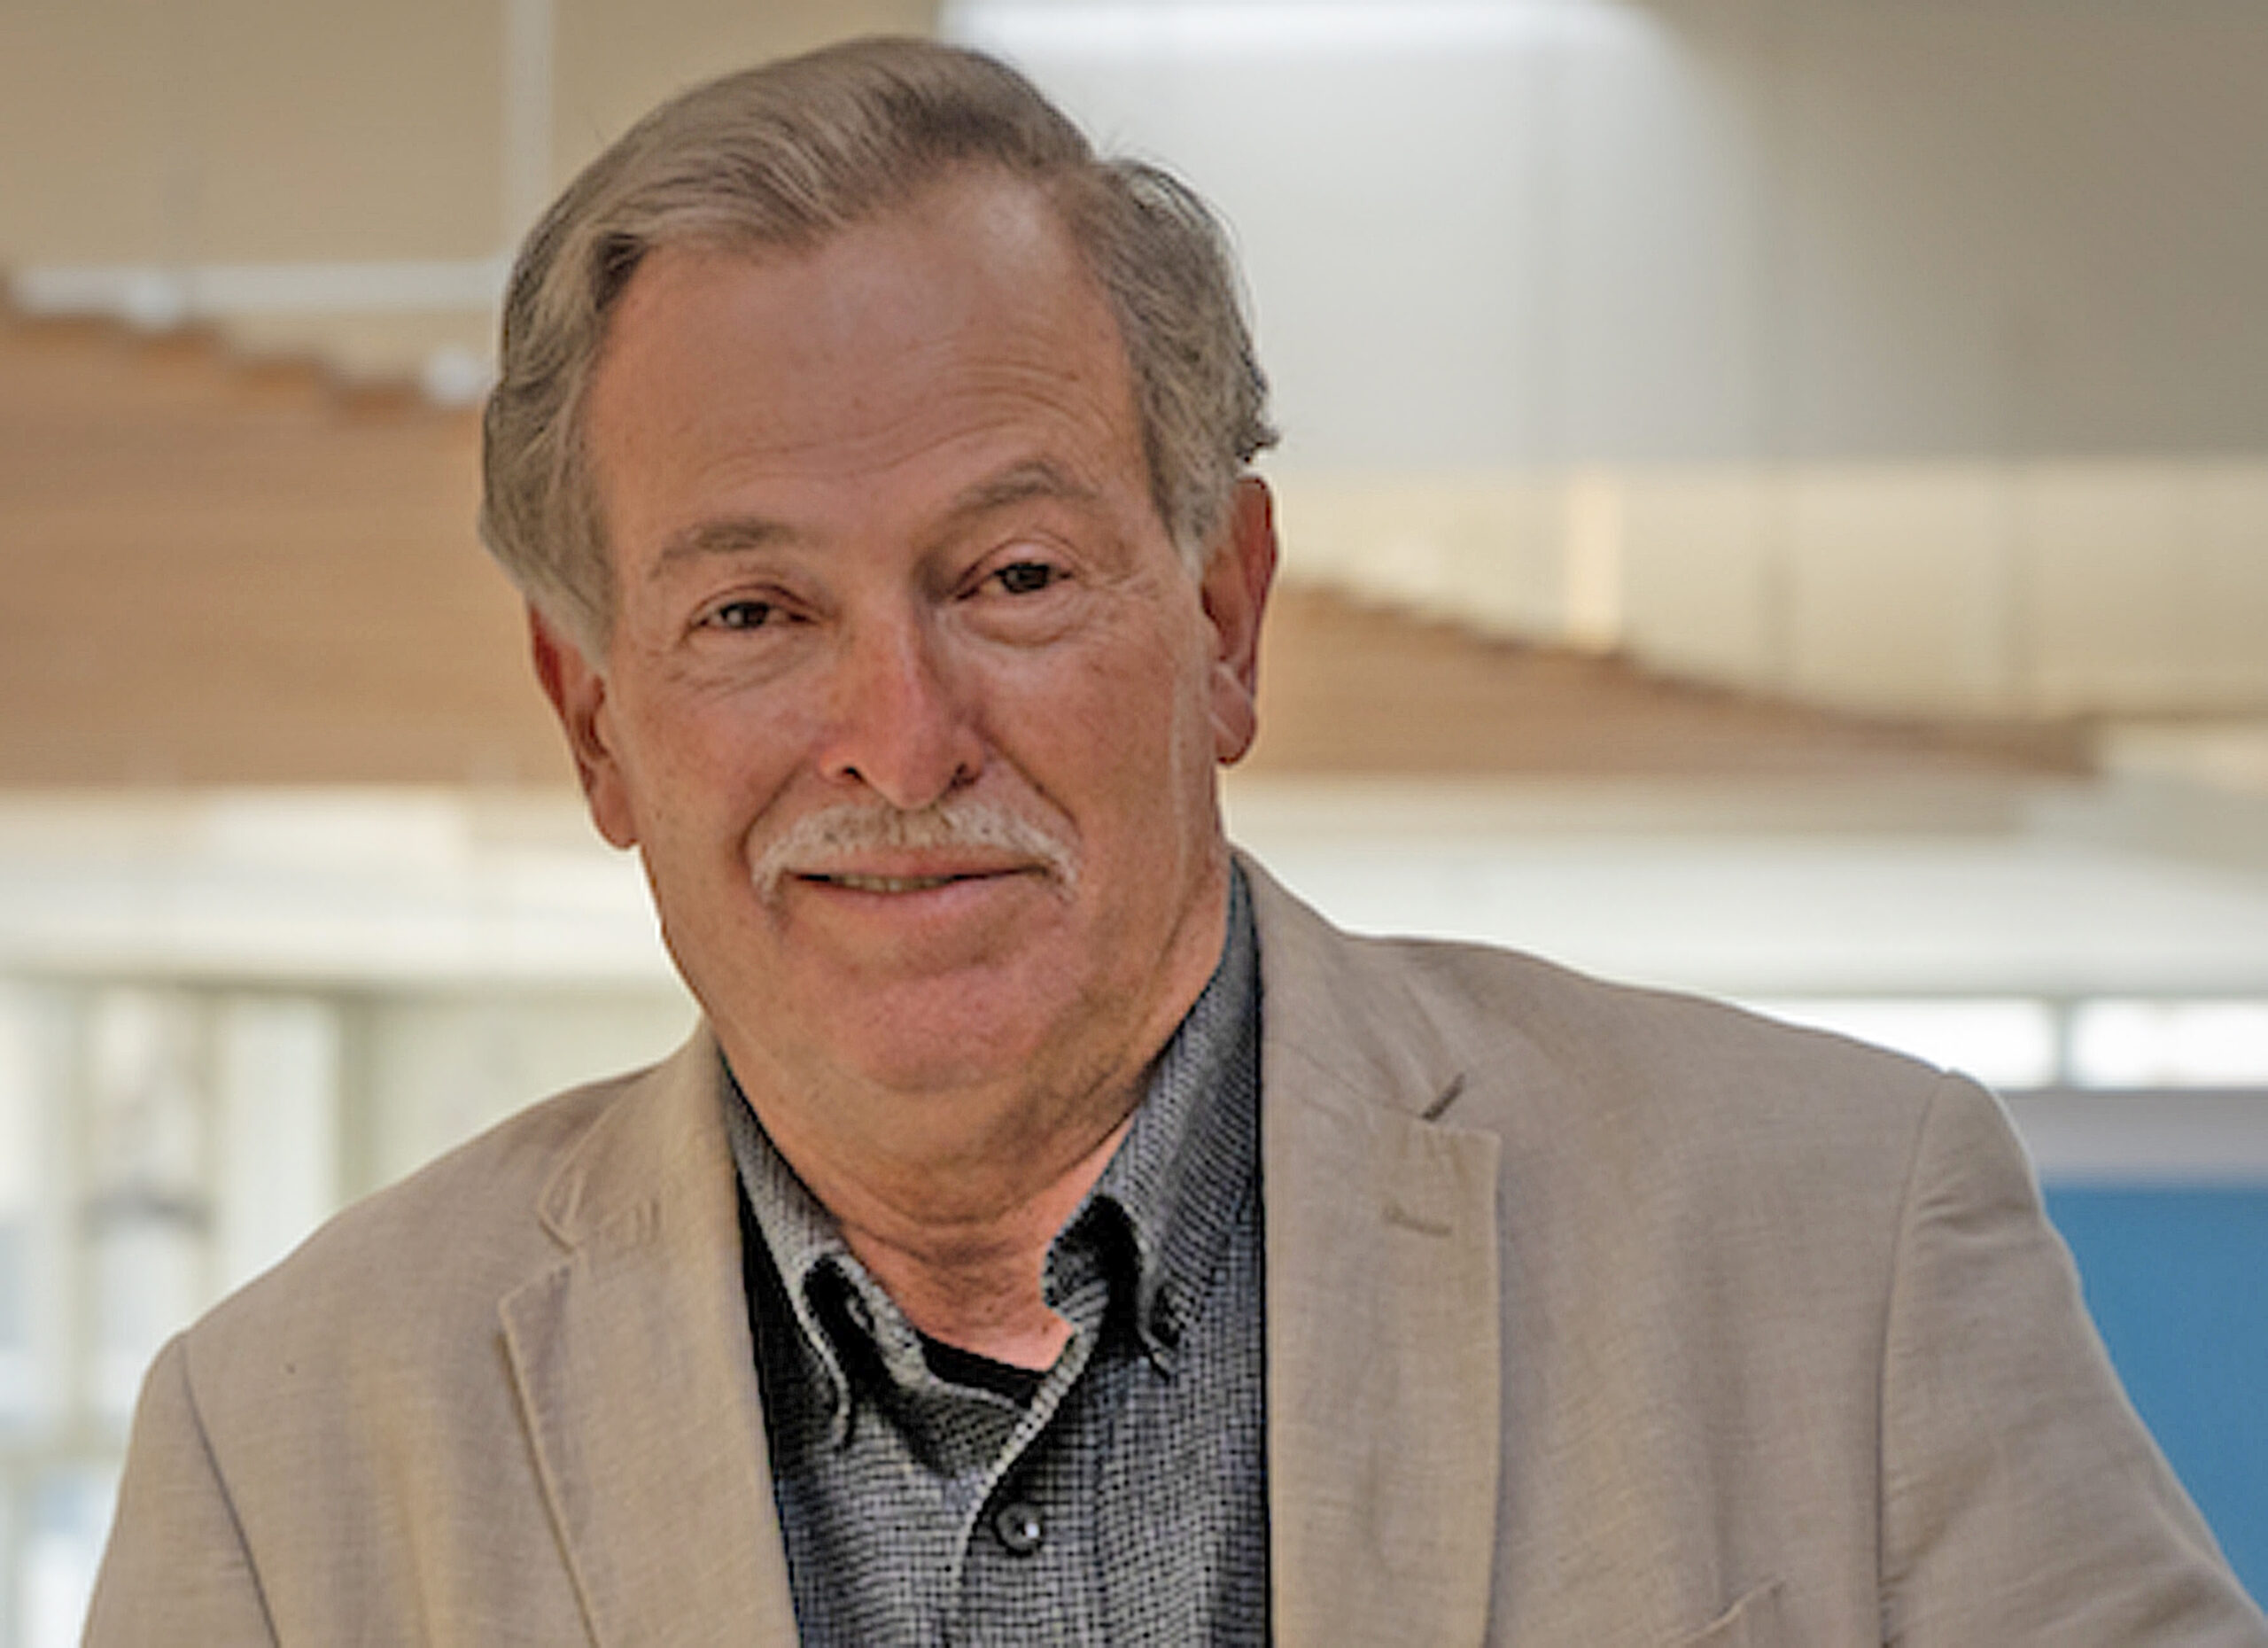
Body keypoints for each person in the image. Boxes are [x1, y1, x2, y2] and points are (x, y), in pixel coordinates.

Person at [86, 36, 2265, 1647]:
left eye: (1011, 578)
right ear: (594, 731)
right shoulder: (287, 1462)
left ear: (1219, 619)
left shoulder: (1830, 1252)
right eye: (753, 615)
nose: (899, 735)